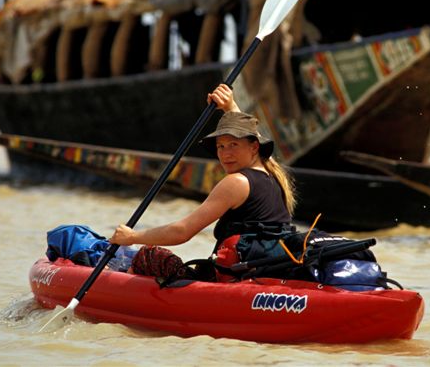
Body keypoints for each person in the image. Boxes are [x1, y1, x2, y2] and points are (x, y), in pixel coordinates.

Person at [110, 84, 296, 281]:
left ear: (254, 147)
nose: (226, 154)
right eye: (221, 146)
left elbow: (182, 232)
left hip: (231, 279)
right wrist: (230, 107)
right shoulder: (274, 175)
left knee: (149, 256)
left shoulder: (236, 182)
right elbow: (252, 136)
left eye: (234, 145)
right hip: (263, 274)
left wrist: (132, 237)